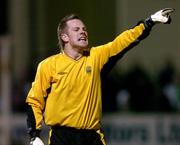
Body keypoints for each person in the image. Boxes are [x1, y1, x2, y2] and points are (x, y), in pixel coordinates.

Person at [26, 8, 174, 145]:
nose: (83, 32)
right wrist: (34, 135)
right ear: (64, 37)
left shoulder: (95, 56)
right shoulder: (48, 65)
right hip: (62, 137)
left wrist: (149, 22)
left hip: (92, 137)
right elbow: (35, 101)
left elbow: (122, 42)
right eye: (76, 29)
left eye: (84, 29)